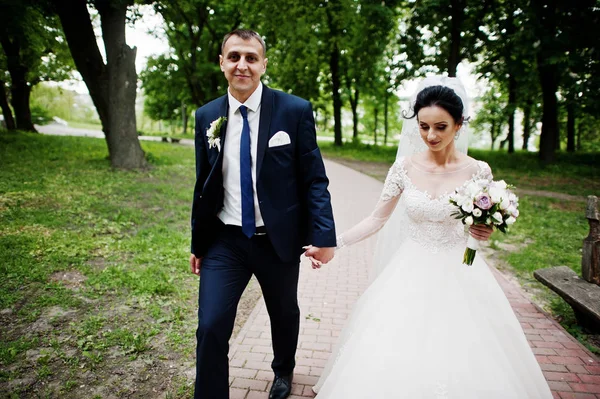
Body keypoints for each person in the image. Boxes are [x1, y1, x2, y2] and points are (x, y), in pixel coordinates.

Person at [308, 77, 553, 398]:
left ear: (458, 125)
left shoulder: (479, 171)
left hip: (462, 269)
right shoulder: (403, 168)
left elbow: (478, 228)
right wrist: (333, 243)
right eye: (423, 127)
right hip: (410, 269)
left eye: (440, 126)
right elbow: (376, 218)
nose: (431, 135)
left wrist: (484, 231)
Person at [189, 29, 336, 399]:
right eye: (234, 56)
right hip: (225, 240)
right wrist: (198, 242)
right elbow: (202, 185)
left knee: (284, 313)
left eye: (251, 58)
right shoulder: (206, 116)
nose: (243, 65)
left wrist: (324, 236)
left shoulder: (294, 110)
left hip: (277, 240)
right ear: (221, 63)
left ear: (263, 65)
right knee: (210, 325)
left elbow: (314, 178)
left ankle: (283, 370)